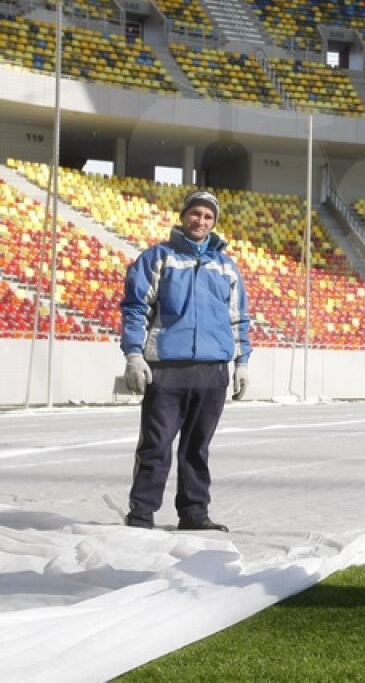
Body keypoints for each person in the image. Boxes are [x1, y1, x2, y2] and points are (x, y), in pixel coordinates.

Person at [120, 189, 252, 532]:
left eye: (208, 217)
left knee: (197, 448)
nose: (201, 221)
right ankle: (141, 514)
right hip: (167, 369)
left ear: (215, 223)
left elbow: (238, 318)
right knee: (156, 446)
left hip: (213, 371)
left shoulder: (226, 266)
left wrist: (242, 362)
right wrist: (134, 355)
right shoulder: (158, 257)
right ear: (183, 216)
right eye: (196, 214)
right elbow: (136, 309)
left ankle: (194, 514)